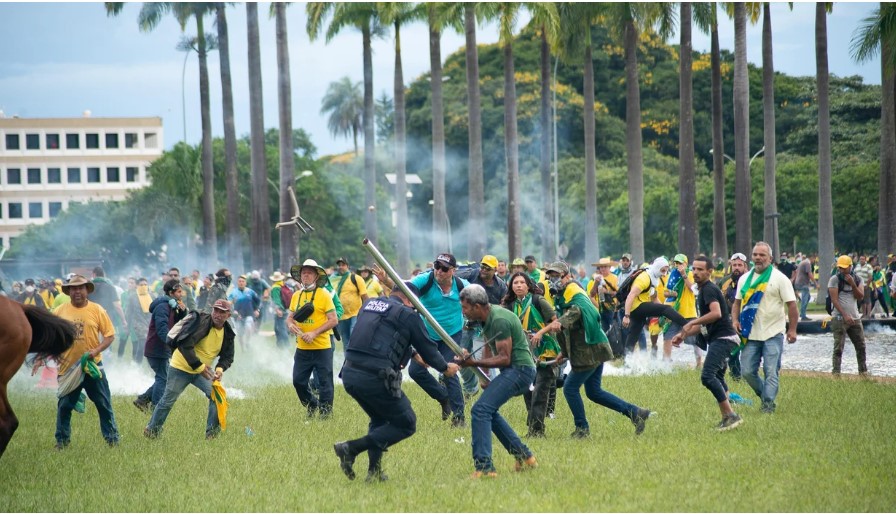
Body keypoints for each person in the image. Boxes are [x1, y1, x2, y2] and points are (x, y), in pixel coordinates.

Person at [334, 283, 461, 482]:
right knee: (406, 423)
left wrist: (411, 352)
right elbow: (430, 351)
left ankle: (374, 473)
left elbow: (378, 335)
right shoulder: (408, 315)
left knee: (380, 419)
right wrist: (446, 368)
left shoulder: (369, 305)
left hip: (350, 374)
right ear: (411, 300)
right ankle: (351, 448)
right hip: (375, 376)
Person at [544, 262, 650, 438]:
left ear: (567, 276)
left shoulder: (573, 290)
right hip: (592, 347)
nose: (553, 279)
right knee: (594, 392)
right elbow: (567, 329)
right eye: (550, 276)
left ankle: (582, 429)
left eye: (556, 275)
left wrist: (560, 322)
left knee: (570, 388)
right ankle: (636, 412)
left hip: (590, 349)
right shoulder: (561, 294)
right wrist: (564, 350)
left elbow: (579, 311)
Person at [374, 253, 470, 427]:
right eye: (437, 266)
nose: (439, 271)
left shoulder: (463, 286)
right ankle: (443, 397)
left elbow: (479, 299)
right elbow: (404, 291)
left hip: (452, 334)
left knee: (449, 372)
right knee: (416, 371)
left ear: (453, 271)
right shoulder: (425, 280)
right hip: (428, 334)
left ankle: (459, 417)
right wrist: (388, 281)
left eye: (444, 268)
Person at [456, 284, 538, 478]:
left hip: (520, 370)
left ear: (477, 306)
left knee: (480, 410)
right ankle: (525, 458)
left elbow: (504, 358)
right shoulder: (486, 318)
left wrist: (472, 362)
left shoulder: (499, 319)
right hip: (512, 370)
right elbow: (488, 345)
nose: (463, 311)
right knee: (488, 411)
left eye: (465, 307)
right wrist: (484, 374)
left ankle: (485, 468)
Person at [670, 256, 744, 431]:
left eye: (700, 269)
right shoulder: (703, 290)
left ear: (710, 272)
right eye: (694, 269)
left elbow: (716, 313)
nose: (695, 272)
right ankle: (728, 415)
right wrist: (684, 334)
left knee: (707, 376)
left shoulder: (709, 289)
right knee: (717, 376)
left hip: (724, 339)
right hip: (721, 338)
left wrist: (691, 323)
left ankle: (730, 416)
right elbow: (707, 323)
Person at [144, 299, 236, 439]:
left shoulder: (228, 332)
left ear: (228, 315)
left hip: (202, 371)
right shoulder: (201, 322)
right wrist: (199, 366)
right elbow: (185, 344)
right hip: (181, 366)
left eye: (222, 312)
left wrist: (219, 369)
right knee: (168, 400)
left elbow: (228, 356)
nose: (217, 314)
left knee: (217, 397)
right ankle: (152, 430)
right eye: (216, 310)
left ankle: (211, 435)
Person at [52, 275, 120, 449]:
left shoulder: (97, 310)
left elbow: (110, 336)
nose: (77, 292)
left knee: (103, 404)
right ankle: (62, 441)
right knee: (65, 406)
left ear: (87, 290)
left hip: (93, 366)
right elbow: (51, 336)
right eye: (73, 288)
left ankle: (112, 439)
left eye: (81, 288)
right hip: (68, 368)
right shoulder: (59, 311)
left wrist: (95, 350)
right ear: (68, 291)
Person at [732, 242, 798, 414]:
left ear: (770, 258)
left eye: (762, 255)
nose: (758, 258)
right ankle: (765, 396)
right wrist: (734, 321)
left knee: (771, 371)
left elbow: (791, 305)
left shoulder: (779, 278)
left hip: (773, 333)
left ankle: (767, 405)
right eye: (755, 255)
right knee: (746, 371)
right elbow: (737, 303)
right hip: (750, 333)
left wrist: (792, 329)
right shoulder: (744, 279)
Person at [501, 272, 558, 438]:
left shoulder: (537, 300)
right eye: (515, 283)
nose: (518, 285)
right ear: (511, 286)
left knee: (540, 391)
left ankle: (536, 431)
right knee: (527, 389)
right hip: (523, 353)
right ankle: (534, 424)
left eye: (522, 282)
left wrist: (540, 333)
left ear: (528, 285)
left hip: (545, 350)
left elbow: (555, 321)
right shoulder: (509, 305)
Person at [288, 259, 339, 419]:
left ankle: (325, 414)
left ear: (316, 276)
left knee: (325, 383)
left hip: (322, 347)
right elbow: (290, 317)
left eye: (310, 273)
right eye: (304, 273)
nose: (306, 276)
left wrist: (314, 333)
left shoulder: (324, 295)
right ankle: (312, 403)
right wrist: (290, 324)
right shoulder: (296, 295)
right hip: (302, 348)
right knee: (298, 381)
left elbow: (333, 320)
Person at [134, 279, 187, 413]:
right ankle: (155, 407)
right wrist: (170, 343)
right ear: (171, 293)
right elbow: (162, 328)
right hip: (156, 348)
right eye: (179, 292)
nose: (182, 294)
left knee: (164, 377)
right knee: (163, 378)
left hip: (162, 348)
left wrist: (182, 311)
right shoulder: (163, 307)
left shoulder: (172, 305)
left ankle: (143, 400)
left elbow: (178, 322)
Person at [621, 257, 688, 356]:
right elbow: (631, 296)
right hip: (636, 307)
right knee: (667, 308)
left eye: (666, 271)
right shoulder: (644, 278)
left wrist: (667, 313)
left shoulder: (652, 276)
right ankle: (688, 325)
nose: (664, 274)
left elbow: (654, 298)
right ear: (657, 267)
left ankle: (627, 363)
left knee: (633, 336)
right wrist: (626, 316)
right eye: (663, 270)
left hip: (637, 308)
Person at [827, 255, 866, 375]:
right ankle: (836, 373)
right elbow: (834, 300)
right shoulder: (834, 279)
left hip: (855, 317)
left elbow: (860, 296)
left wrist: (853, 284)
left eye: (845, 268)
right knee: (838, 347)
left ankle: (863, 372)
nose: (842, 270)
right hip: (839, 318)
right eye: (840, 268)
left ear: (850, 267)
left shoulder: (858, 279)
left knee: (861, 346)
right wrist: (845, 315)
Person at [662, 254, 703, 367]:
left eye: (680, 263)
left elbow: (693, 289)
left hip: (689, 312)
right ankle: (666, 362)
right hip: (674, 312)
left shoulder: (691, 274)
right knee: (667, 336)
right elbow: (665, 292)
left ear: (686, 263)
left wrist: (684, 275)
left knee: (695, 340)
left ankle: (699, 363)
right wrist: (672, 293)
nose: (678, 266)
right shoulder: (672, 275)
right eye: (676, 263)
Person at [719, 253, 749, 380]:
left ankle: (749, 375)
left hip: (748, 320)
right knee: (732, 352)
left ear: (745, 266)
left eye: (739, 265)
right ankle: (736, 377)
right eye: (734, 265)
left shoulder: (751, 280)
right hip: (729, 322)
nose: (737, 267)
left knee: (749, 351)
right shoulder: (724, 281)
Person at [329, 257, 369, 349]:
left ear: (348, 266)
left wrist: (367, 311)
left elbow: (364, 296)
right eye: (339, 265)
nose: (340, 267)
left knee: (353, 335)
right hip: (341, 315)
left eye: (343, 265)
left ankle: (356, 358)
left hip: (355, 313)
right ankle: (347, 361)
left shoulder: (356, 278)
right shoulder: (333, 279)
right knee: (345, 340)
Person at [121, 277, 152, 363]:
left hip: (149, 323)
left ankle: (148, 363)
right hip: (138, 323)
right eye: (141, 285)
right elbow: (129, 312)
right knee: (142, 342)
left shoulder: (152, 296)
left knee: (149, 344)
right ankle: (137, 363)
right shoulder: (133, 297)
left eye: (145, 285)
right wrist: (127, 324)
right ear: (137, 286)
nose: (143, 286)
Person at [227, 275, 261, 345]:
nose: (241, 283)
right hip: (238, 316)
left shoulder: (250, 292)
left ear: (245, 283)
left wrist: (257, 310)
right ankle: (242, 348)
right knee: (240, 333)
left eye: (243, 281)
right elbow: (229, 304)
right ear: (237, 282)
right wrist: (233, 312)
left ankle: (247, 342)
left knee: (248, 327)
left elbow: (258, 301)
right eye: (240, 281)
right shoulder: (233, 292)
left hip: (249, 314)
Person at [588, 258, 619, 332]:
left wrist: (607, 291)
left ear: (609, 267)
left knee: (614, 330)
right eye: (601, 267)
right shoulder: (596, 278)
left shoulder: (615, 278)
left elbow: (618, 294)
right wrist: (596, 283)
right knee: (603, 331)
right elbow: (591, 295)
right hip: (601, 309)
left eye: (605, 266)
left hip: (613, 308)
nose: (603, 269)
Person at [269, 271, 292, 349]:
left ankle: (286, 345)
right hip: (285, 309)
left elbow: (276, 299)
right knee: (278, 328)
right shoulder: (282, 285)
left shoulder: (275, 287)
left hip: (280, 310)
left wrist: (278, 309)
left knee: (281, 329)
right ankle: (280, 345)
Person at [793, 254, 816, 321]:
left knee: (807, 297)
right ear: (811, 257)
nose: (814, 261)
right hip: (803, 283)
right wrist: (815, 283)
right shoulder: (807, 263)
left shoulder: (802, 262)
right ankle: (803, 315)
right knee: (805, 299)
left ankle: (802, 313)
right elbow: (809, 274)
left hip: (799, 282)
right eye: (814, 259)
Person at [852, 255, 874, 319]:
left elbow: (870, 276)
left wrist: (867, 285)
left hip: (866, 285)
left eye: (863, 259)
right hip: (859, 286)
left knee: (867, 300)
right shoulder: (857, 266)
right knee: (862, 300)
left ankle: (868, 314)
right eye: (860, 259)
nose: (861, 260)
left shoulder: (868, 266)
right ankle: (864, 314)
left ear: (865, 260)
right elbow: (855, 275)